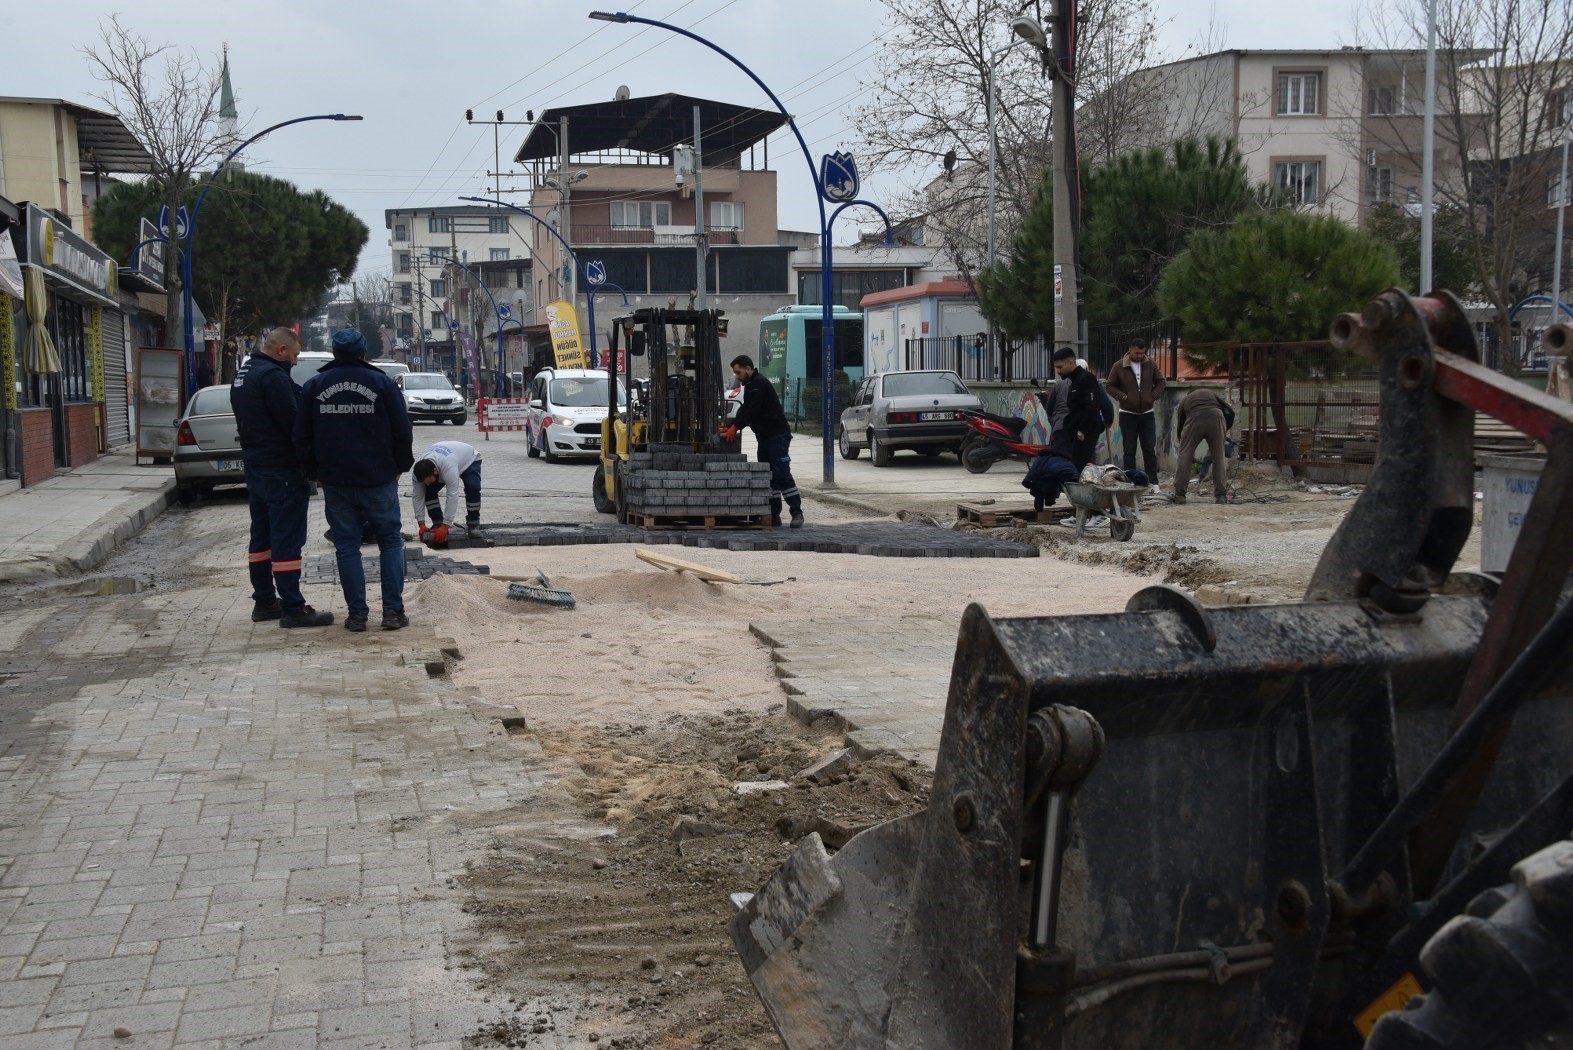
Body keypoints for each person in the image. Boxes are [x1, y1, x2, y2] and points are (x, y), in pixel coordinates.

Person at [294, 328, 415, 632]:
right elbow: (403, 429)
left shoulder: (314, 386)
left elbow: (302, 437)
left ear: (334, 353)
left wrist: (314, 473)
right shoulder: (382, 384)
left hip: (336, 480)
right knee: (389, 542)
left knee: (347, 547)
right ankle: (392, 612)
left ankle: (357, 615)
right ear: (363, 354)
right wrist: (400, 465)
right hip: (378, 477)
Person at [230, 328, 334, 629]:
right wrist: (315, 467)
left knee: (261, 538)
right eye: (295, 354)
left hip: (257, 467)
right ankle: (293, 606)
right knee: (287, 539)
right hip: (281, 470)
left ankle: (265, 600)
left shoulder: (246, 371)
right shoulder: (274, 378)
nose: (296, 361)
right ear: (281, 351)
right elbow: (295, 425)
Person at [722, 354, 804, 529]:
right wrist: (731, 425)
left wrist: (735, 427)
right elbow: (745, 410)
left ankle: (796, 512)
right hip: (765, 437)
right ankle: (774, 515)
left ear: (748, 368)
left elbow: (753, 410)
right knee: (768, 477)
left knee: (781, 473)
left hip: (777, 435)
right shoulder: (751, 386)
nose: (737, 376)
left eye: (738, 372)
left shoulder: (759, 384)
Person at [1106, 337, 1166, 494]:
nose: (1140, 356)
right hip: (1127, 414)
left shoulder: (1150, 364)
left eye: (1142, 353)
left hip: (1147, 413)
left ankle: (1153, 482)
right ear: (1130, 349)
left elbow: (1160, 382)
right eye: (1137, 353)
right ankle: (1132, 481)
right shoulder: (1119, 366)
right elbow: (1109, 386)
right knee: (1129, 450)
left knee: (1149, 449)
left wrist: (1153, 396)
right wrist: (1124, 397)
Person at [411, 440, 483, 547]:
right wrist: (421, 523)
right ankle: (437, 522)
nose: (428, 484)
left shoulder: (448, 468)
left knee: (472, 487)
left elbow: (452, 495)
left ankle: (473, 524)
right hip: (450, 455)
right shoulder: (418, 473)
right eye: (425, 482)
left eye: (429, 480)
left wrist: (446, 525)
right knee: (429, 491)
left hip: (469, 458)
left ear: (435, 471)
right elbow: (417, 497)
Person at [1172, 387, 1234, 505]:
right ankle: (1220, 495)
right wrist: (1224, 431)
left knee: (1185, 455)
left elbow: (1180, 426)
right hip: (1216, 416)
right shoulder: (1210, 392)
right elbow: (1230, 411)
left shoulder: (1185, 401)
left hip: (1195, 417)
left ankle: (1180, 495)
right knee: (1218, 456)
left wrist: (1183, 445)